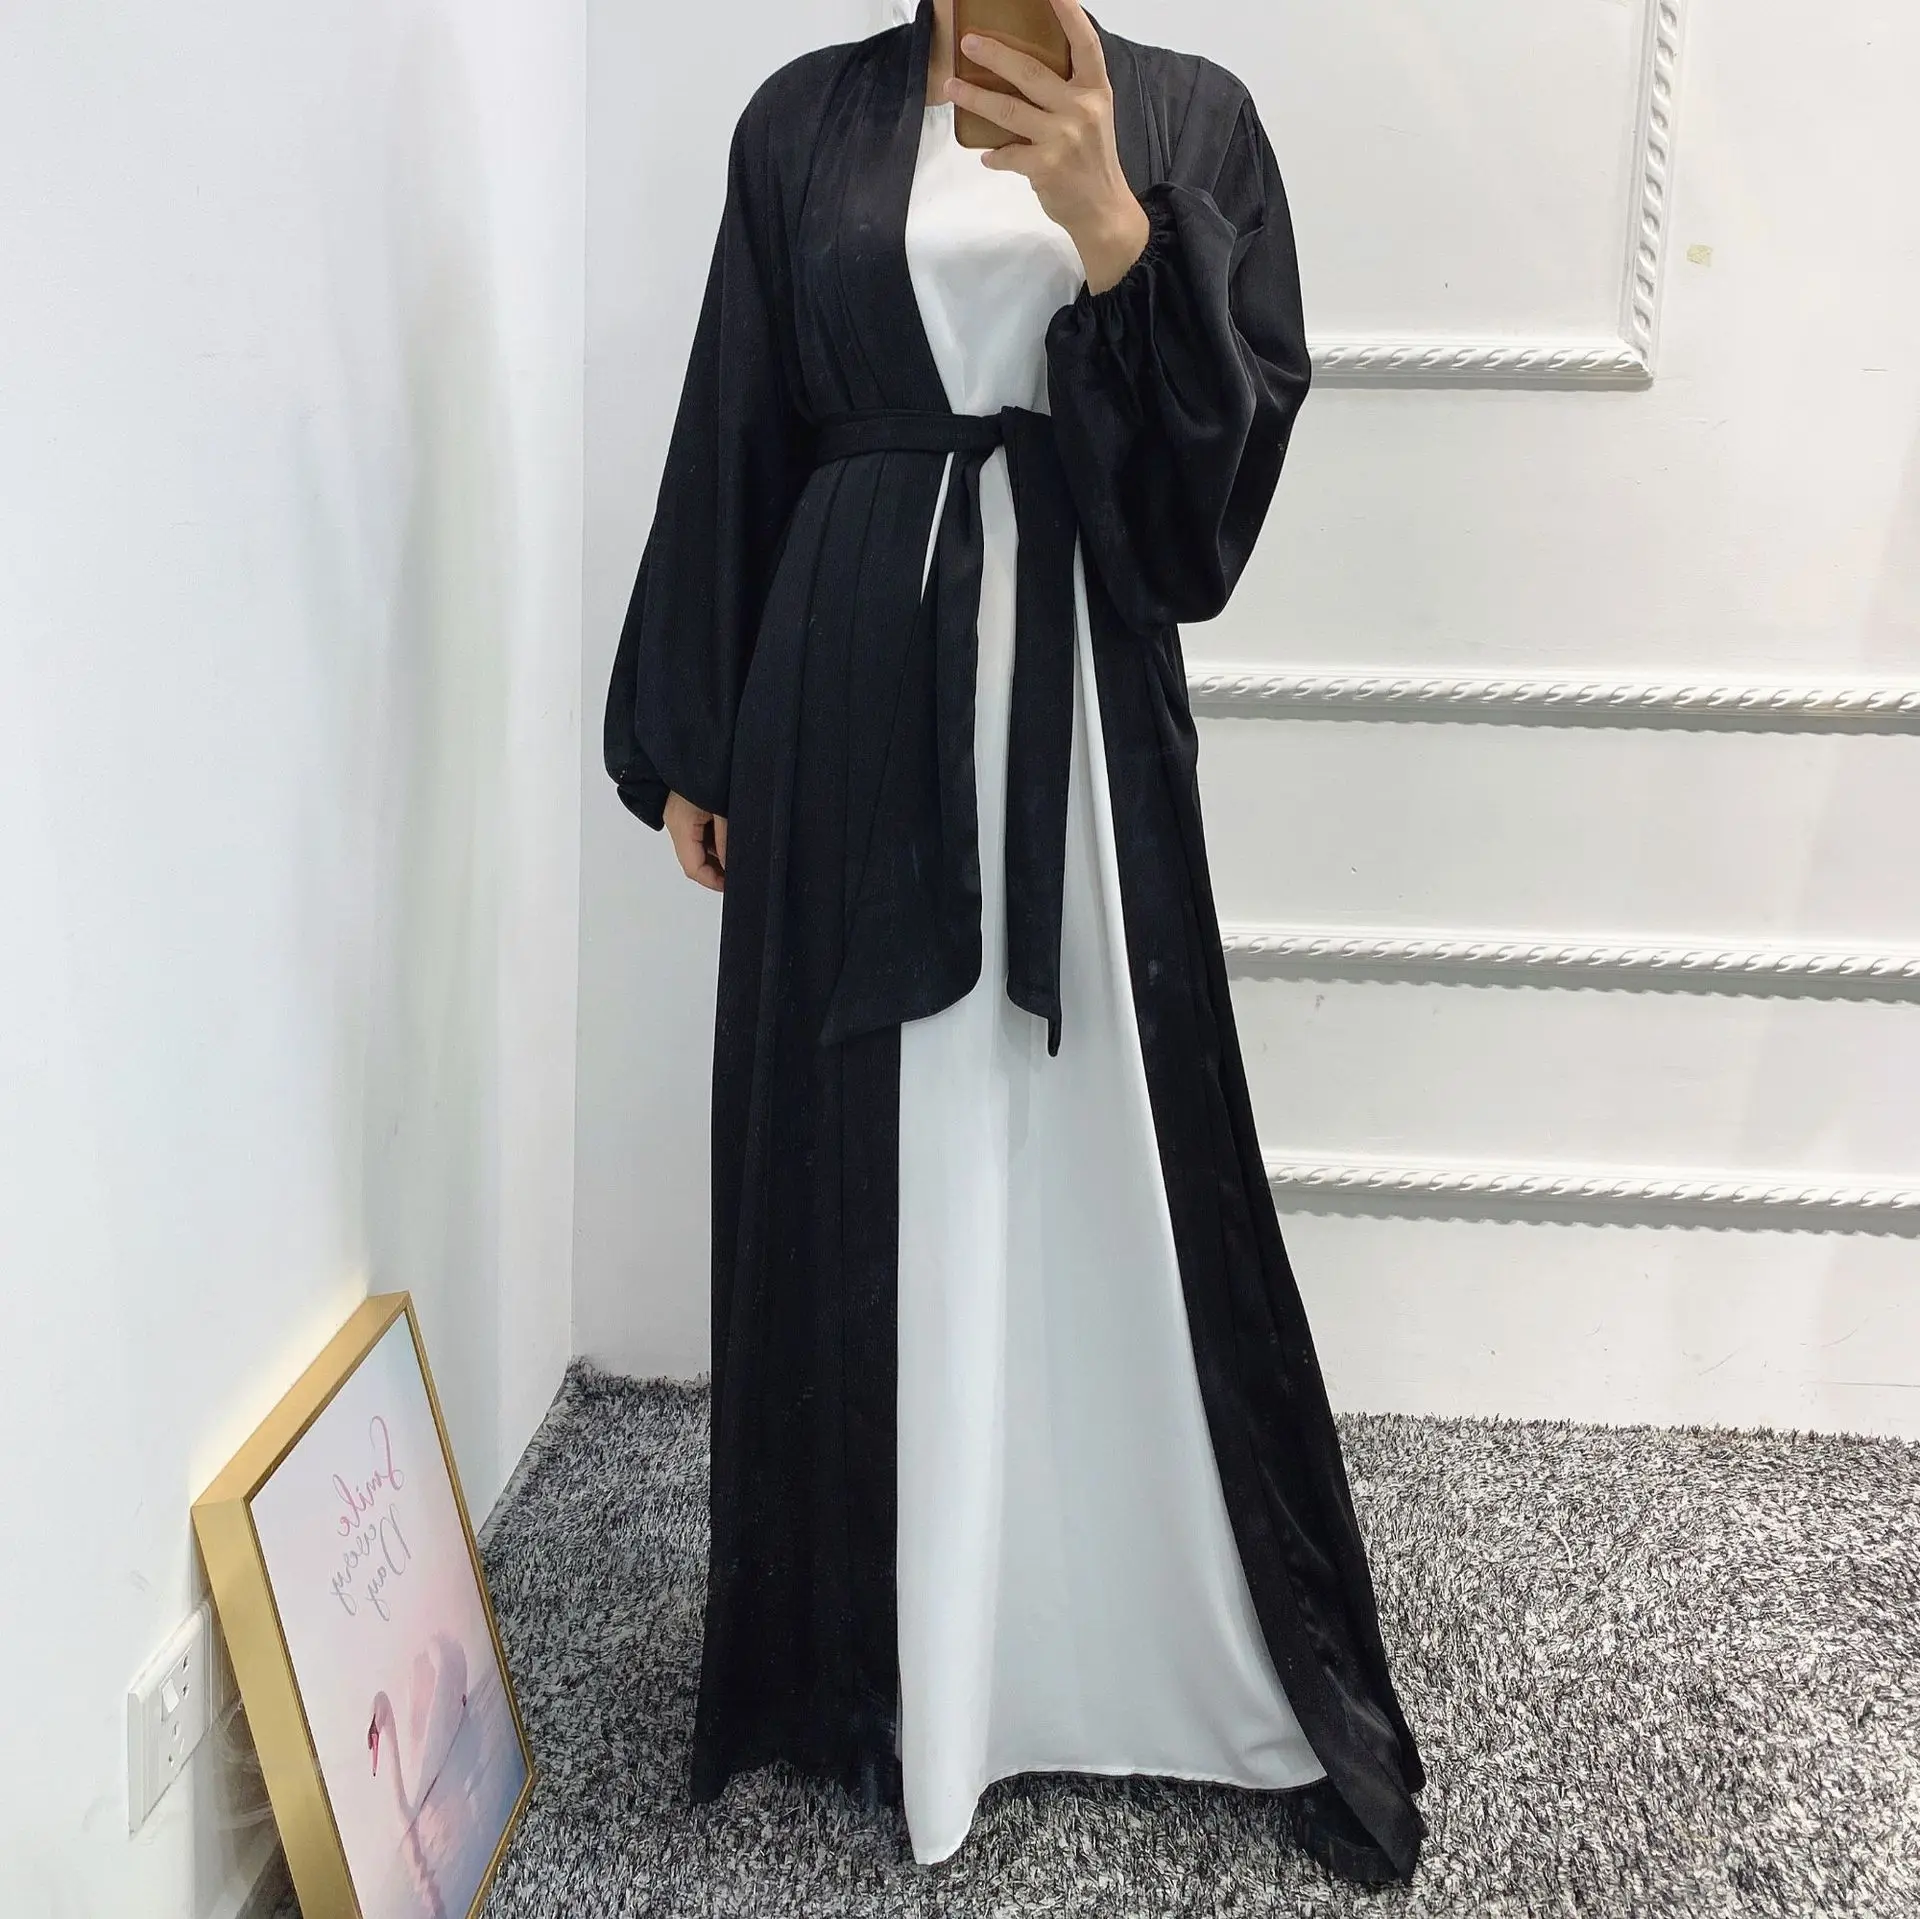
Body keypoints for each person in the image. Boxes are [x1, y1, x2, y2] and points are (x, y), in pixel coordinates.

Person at [602, 0, 1428, 1885]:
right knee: (879, 1143)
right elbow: (739, 414)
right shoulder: (801, 121)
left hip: (1079, 703)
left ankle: (1108, 1628)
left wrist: (1115, 228)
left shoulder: (1194, 121)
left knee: (1094, 1132)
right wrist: (698, 731)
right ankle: (881, 1658)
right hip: (844, 685)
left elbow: (1205, 528)